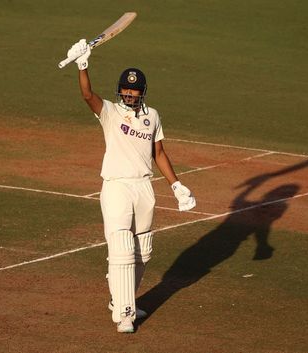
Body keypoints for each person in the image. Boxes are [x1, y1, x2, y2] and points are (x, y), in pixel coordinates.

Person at [66, 39, 196, 333]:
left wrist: (176, 186)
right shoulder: (110, 112)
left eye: (134, 91)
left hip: (143, 187)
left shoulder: (153, 116)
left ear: (142, 93)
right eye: (126, 90)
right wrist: (83, 64)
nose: (130, 94)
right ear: (120, 90)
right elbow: (87, 95)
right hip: (116, 186)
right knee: (122, 246)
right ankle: (125, 314)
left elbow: (158, 153)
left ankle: (122, 298)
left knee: (143, 250)